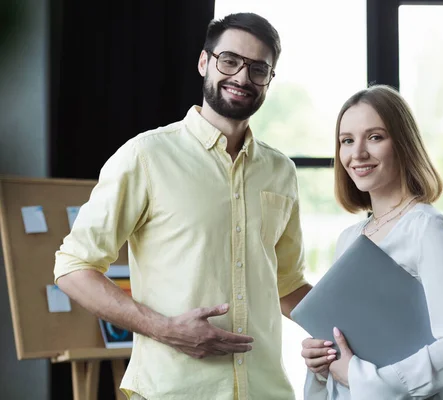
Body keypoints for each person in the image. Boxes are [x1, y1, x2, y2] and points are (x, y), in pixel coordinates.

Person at [54, 12, 312, 400]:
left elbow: (287, 285)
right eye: (230, 61)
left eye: (259, 69)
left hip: (266, 390)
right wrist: (165, 328)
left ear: (269, 80)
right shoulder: (146, 156)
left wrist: (358, 327)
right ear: (204, 61)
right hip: (172, 391)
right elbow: (73, 267)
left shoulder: (281, 171)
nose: (242, 77)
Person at [301, 85, 443, 399]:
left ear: (402, 144)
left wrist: (364, 378)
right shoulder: (349, 239)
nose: (357, 153)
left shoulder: (428, 229)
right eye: (347, 140)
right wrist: (323, 362)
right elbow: (350, 348)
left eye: (375, 137)